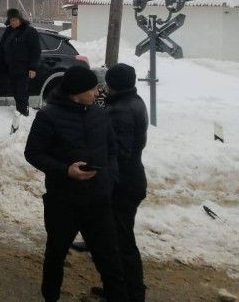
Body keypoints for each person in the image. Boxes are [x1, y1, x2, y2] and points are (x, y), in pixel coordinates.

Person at [24, 65, 128, 302]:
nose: (97, 92)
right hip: (63, 200)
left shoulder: (99, 114)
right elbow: (33, 153)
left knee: (110, 260)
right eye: (92, 89)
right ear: (76, 91)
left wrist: (110, 178)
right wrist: (65, 171)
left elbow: (112, 150)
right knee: (55, 256)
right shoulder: (48, 115)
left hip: (98, 201)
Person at [90, 63, 148, 301]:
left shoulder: (121, 111)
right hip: (132, 178)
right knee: (118, 238)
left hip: (123, 183)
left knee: (121, 242)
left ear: (111, 84)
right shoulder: (134, 101)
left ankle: (131, 294)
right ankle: (119, 289)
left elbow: (118, 151)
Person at [0, 8, 41, 133]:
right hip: (11, 69)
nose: (13, 22)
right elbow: (1, 48)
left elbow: (36, 51)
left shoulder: (29, 32)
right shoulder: (8, 31)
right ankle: (19, 113)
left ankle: (23, 115)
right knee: (15, 92)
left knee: (22, 92)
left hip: (24, 69)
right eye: (11, 20)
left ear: (20, 19)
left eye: (15, 20)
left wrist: (32, 68)